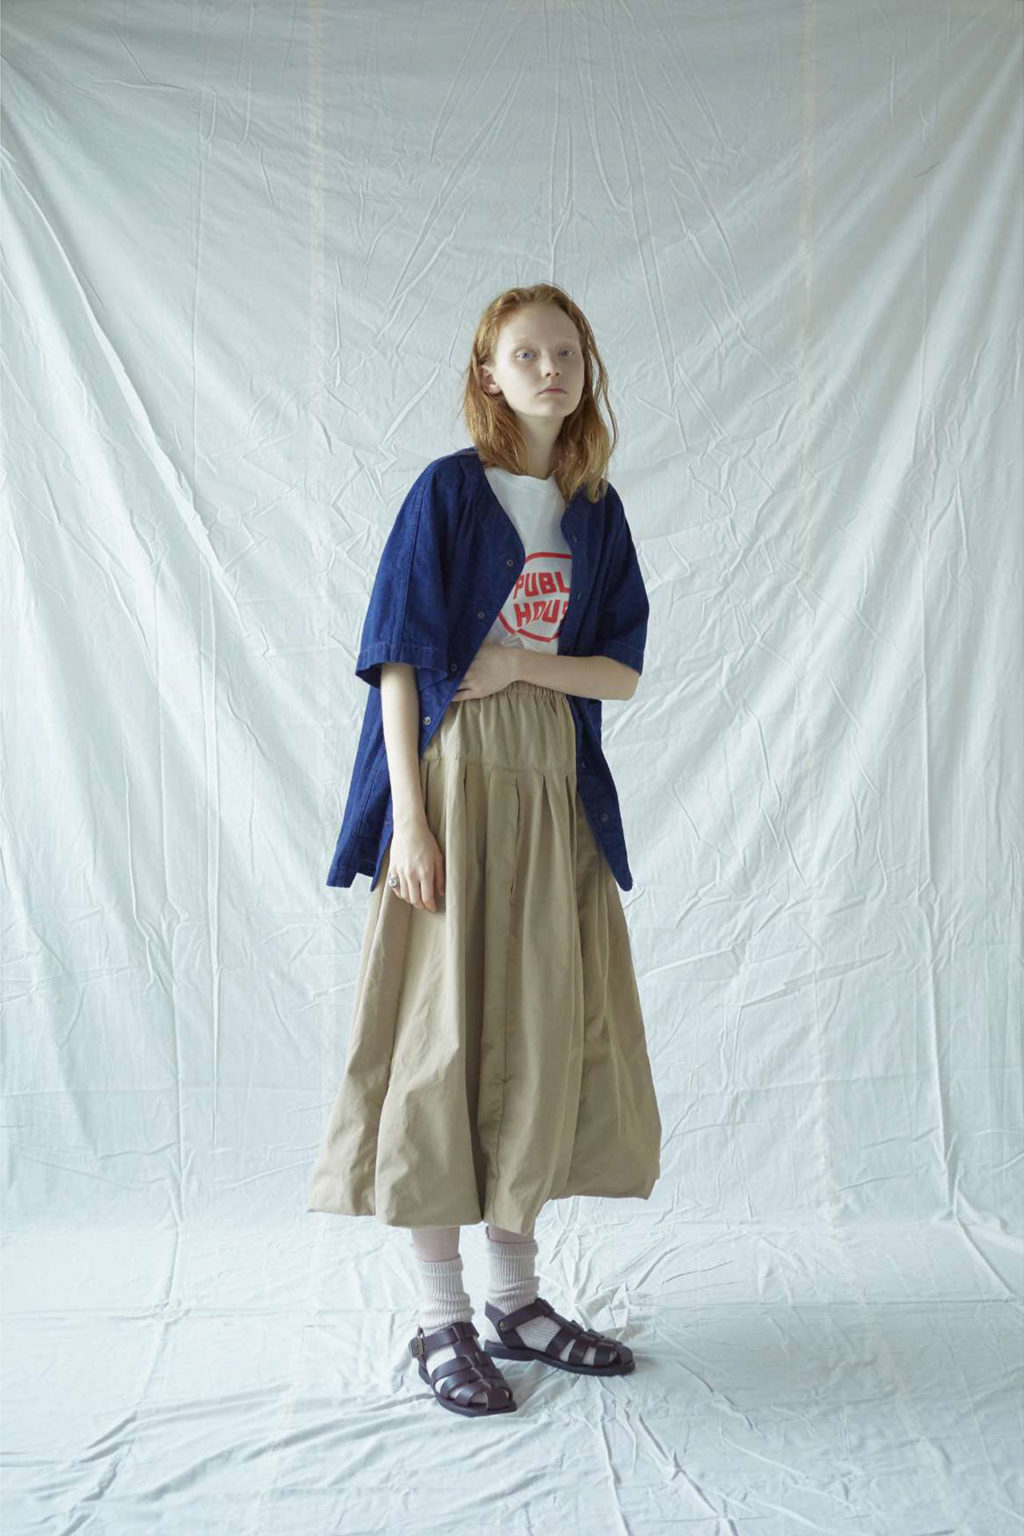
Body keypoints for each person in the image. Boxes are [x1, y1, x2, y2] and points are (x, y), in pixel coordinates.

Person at [307, 282, 662, 1418]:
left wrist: (519, 666)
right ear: (488, 375)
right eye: (525, 354)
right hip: (455, 782)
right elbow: (397, 661)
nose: (549, 369)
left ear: (586, 370)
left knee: (537, 1036)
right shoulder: (449, 493)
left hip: (552, 785)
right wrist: (409, 822)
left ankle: (515, 1300)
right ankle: (437, 1316)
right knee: (441, 1040)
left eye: (566, 353)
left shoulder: (593, 509)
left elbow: (619, 670)